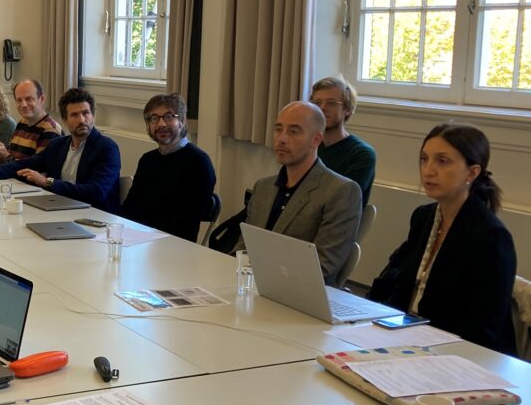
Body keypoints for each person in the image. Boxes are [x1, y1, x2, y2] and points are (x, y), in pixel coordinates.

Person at [368, 124, 517, 355]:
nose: (428, 170)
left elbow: (483, 328)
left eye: (442, 161)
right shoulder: (423, 217)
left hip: (462, 355)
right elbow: (396, 281)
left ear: (472, 173)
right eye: (424, 159)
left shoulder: (491, 236)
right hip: (411, 339)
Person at [234, 102, 362, 286]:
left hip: (301, 297)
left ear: (316, 140)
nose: (282, 139)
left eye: (294, 132)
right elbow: (243, 248)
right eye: (278, 130)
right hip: (254, 287)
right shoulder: (264, 187)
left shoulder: (340, 191)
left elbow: (323, 266)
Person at [0, 87, 121, 212]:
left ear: (93, 115)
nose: (81, 120)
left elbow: (96, 192)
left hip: (94, 216)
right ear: (65, 119)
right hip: (58, 208)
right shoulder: (58, 146)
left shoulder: (107, 148)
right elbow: (21, 165)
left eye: (85, 113)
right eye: (74, 115)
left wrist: (48, 182)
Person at [119, 93, 216, 242]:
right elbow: (130, 208)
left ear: (182, 121)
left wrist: (143, 236)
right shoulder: (147, 160)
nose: (161, 124)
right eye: (154, 118)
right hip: (137, 240)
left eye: (169, 117)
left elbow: (186, 222)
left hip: (174, 246)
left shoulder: (198, 162)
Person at [310, 76, 377, 205]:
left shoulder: (362, 154)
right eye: (317, 102)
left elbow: (343, 200)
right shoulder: (308, 144)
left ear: (348, 109)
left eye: (331, 102)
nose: (322, 108)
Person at [0, 79, 63, 165]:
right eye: (19, 100)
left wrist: (6, 157)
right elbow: (12, 160)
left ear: (42, 99)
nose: (23, 105)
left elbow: (37, 171)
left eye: (29, 99)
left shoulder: (51, 130)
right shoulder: (22, 123)